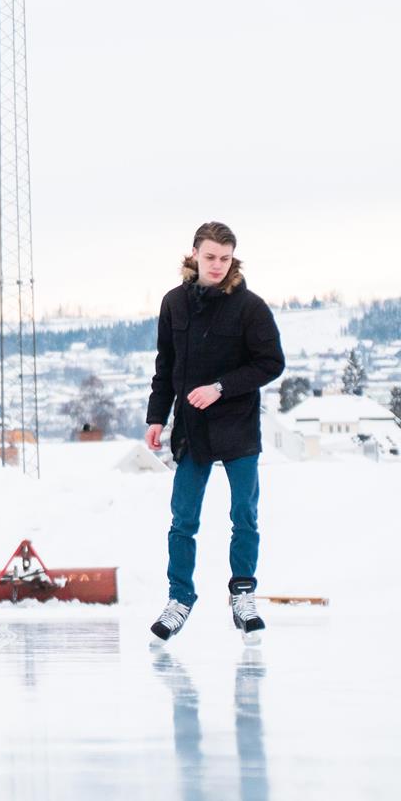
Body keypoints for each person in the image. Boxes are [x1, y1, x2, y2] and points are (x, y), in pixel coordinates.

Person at [145, 222, 286, 644]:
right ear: (194, 254)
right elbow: (165, 366)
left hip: (238, 425)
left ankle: (243, 595)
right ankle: (179, 599)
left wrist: (221, 387)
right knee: (183, 518)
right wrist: (156, 417)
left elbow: (271, 363)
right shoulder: (174, 304)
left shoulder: (251, 308)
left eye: (225, 259)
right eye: (210, 257)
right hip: (192, 428)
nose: (218, 266)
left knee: (244, 513)